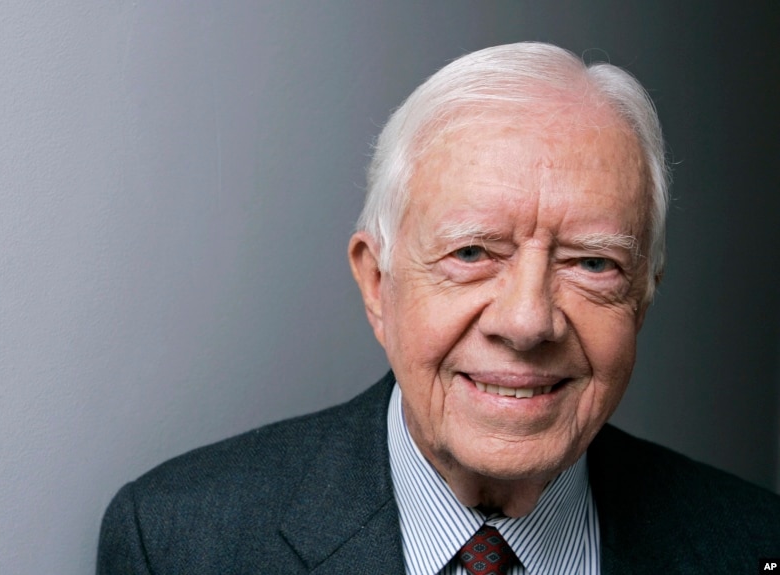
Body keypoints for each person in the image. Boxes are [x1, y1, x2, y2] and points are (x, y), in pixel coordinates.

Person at [98, 42, 780, 574]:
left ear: (643, 293)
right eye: (472, 252)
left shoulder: (753, 541)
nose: (525, 321)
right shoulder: (176, 541)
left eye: (591, 263)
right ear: (376, 283)